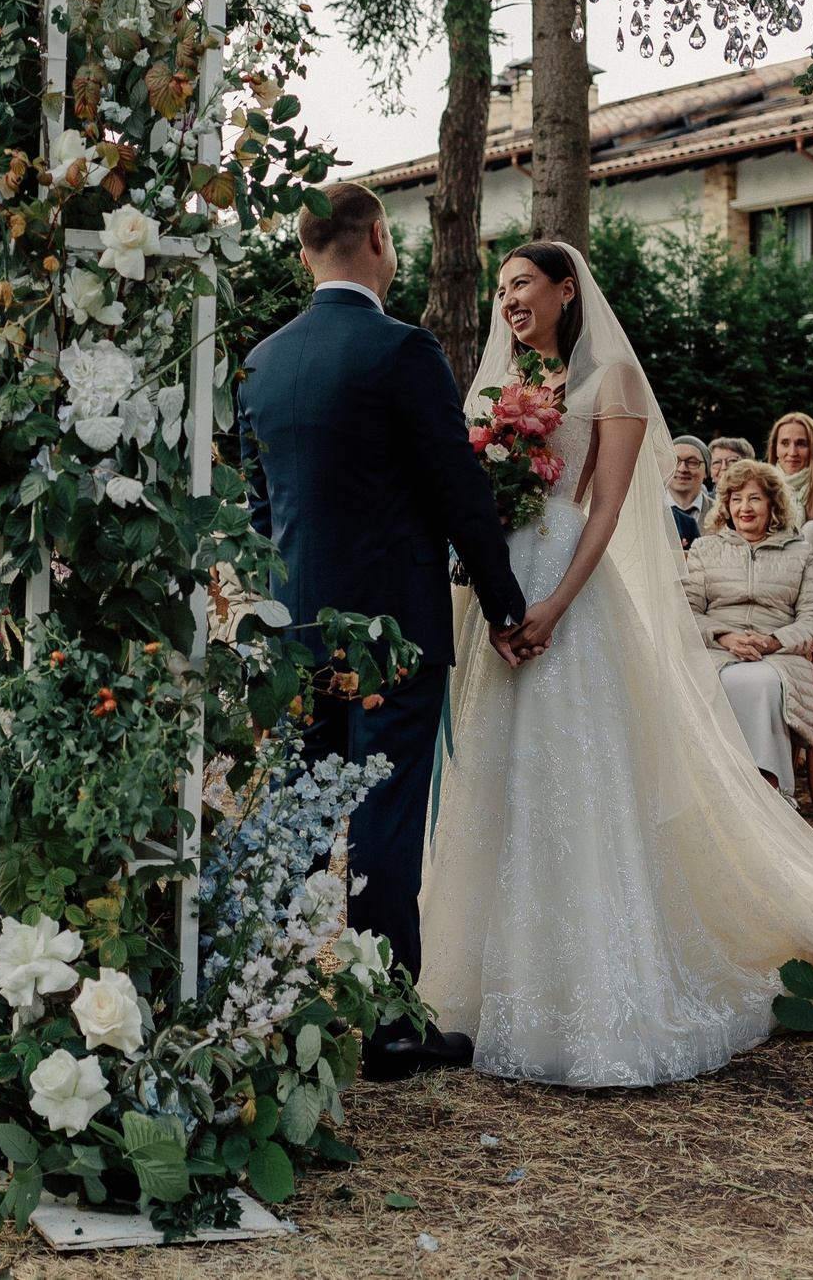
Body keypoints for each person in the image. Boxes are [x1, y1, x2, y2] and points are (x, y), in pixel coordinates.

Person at [421, 242, 813, 1090]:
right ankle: (485, 987)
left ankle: (595, 991)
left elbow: (606, 506)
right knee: (499, 778)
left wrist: (553, 604)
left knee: (577, 778)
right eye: (499, 290)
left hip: (571, 587)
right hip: (503, 586)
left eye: (522, 284)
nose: (507, 300)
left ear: (566, 289)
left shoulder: (612, 379)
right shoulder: (503, 388)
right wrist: (493, 596)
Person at [236, 181, 529, 1080]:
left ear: (302, 253)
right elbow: (456, 490)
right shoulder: (404, 351)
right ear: (375, 237)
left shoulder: (261, 361)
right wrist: (506, 601)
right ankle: (389, 1022)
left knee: (297, 813)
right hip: (393, 631)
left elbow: (260, 510)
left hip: (295, 631)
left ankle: (264, 1003)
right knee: (384, 821)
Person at [682, 459, 813, 802]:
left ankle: (769, 787)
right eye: (735, 499)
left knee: (762, 681)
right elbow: (686, 611)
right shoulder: (705, 549)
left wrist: (772, 641)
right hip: (716, 648)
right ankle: (715, 789)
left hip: (778, 653)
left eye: (754, 499)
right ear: (725, 504)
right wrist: (724, 636)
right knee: (712, 679)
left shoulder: (800, 553)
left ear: (773, 504)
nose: (744, 508)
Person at [766, 410, 813, 533]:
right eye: (785, 443)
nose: (792, 452)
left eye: (801, 444)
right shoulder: (762, 487)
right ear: (775, 449)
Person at [666, 434, 710, 548]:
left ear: (706, 471)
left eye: (692, 462)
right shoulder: (653, 510)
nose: (682, 469)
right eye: (675, 461)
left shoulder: (723, 513)